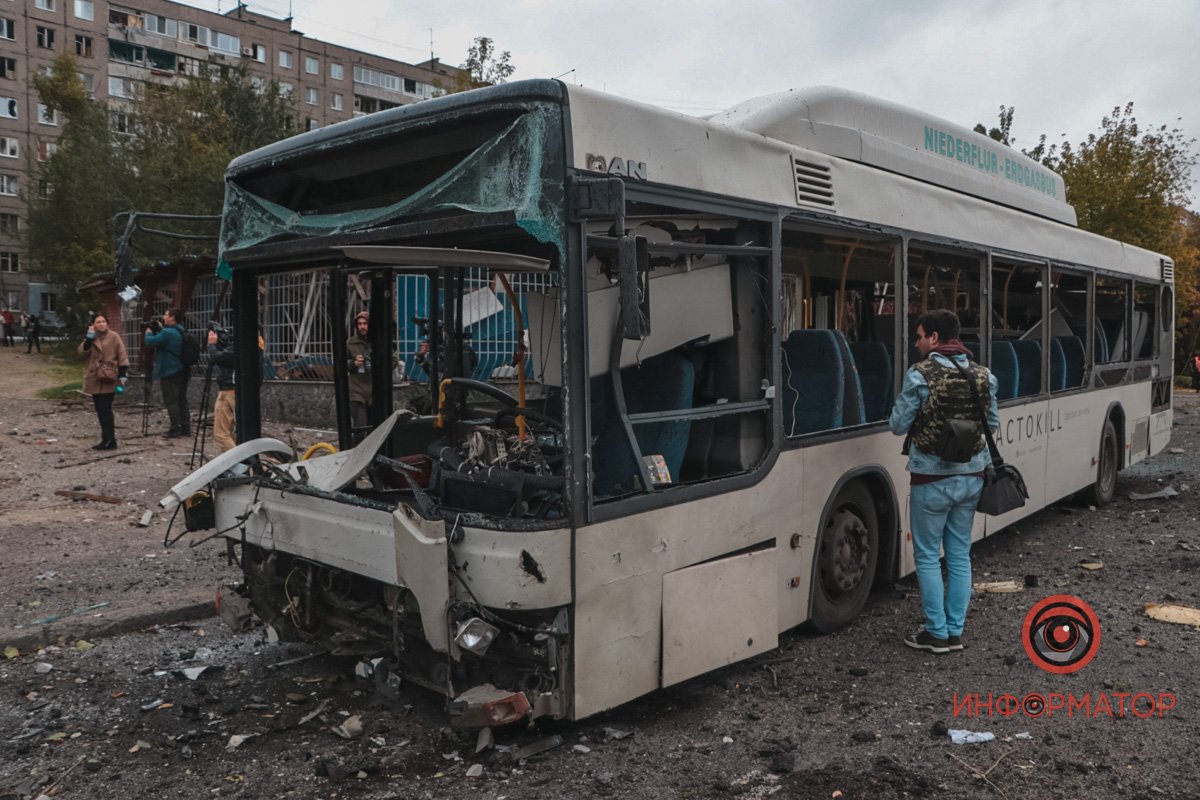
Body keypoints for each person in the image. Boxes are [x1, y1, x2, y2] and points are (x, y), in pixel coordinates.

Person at [889, 309, 999, 654]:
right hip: (971, 477)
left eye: (920, 336)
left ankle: (935, 632)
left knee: (926, 556)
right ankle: (955, 631)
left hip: (930, 478)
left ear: (935, 338)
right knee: (959, 555)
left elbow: (897, 424)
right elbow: (991, 423)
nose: (917, 342)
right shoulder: (984, 375)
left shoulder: (920, 374)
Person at [78, 314, 130, 450]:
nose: (101, 324)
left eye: (103, 321)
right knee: (99, 409)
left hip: (109, 376)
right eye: (98, 322)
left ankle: (110, 440)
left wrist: (123, 375)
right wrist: (88, 339)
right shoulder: (91, 336)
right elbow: (82, 353)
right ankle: (106, 439)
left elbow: (122, 355)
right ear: (93, 325)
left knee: (105, 409)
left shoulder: (114, 336)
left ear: (107, 323)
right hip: (95, 377)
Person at [145, 308, 190, 438]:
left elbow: (150, 342)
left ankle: (175, 428)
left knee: (171, 400)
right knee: (182, 400)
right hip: (183, 370)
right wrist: (160, 329)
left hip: (170, 370)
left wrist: (148, 333)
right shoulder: (180, 330)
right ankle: (185, 428)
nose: (163, 317)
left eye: (165, 315)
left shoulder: (168, 332)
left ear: (172, 317)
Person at [207, 327, 238, 452]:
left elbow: (217, 358)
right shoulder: (257, 344)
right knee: (230, 432)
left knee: (221, 434)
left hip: (228, 391)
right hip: (236, 391)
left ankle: (241, 463)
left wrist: (212, 345)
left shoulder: (238, 347)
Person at [346, 311, 372, 435]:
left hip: (374, 391)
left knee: (375, 429)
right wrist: (353, 363)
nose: (362, 326)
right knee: (360, 427)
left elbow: (393, 359)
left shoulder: (378, 340)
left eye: (365, 323)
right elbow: (341, 364)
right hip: (357, 391)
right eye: (359, 324)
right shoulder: (351, 343)